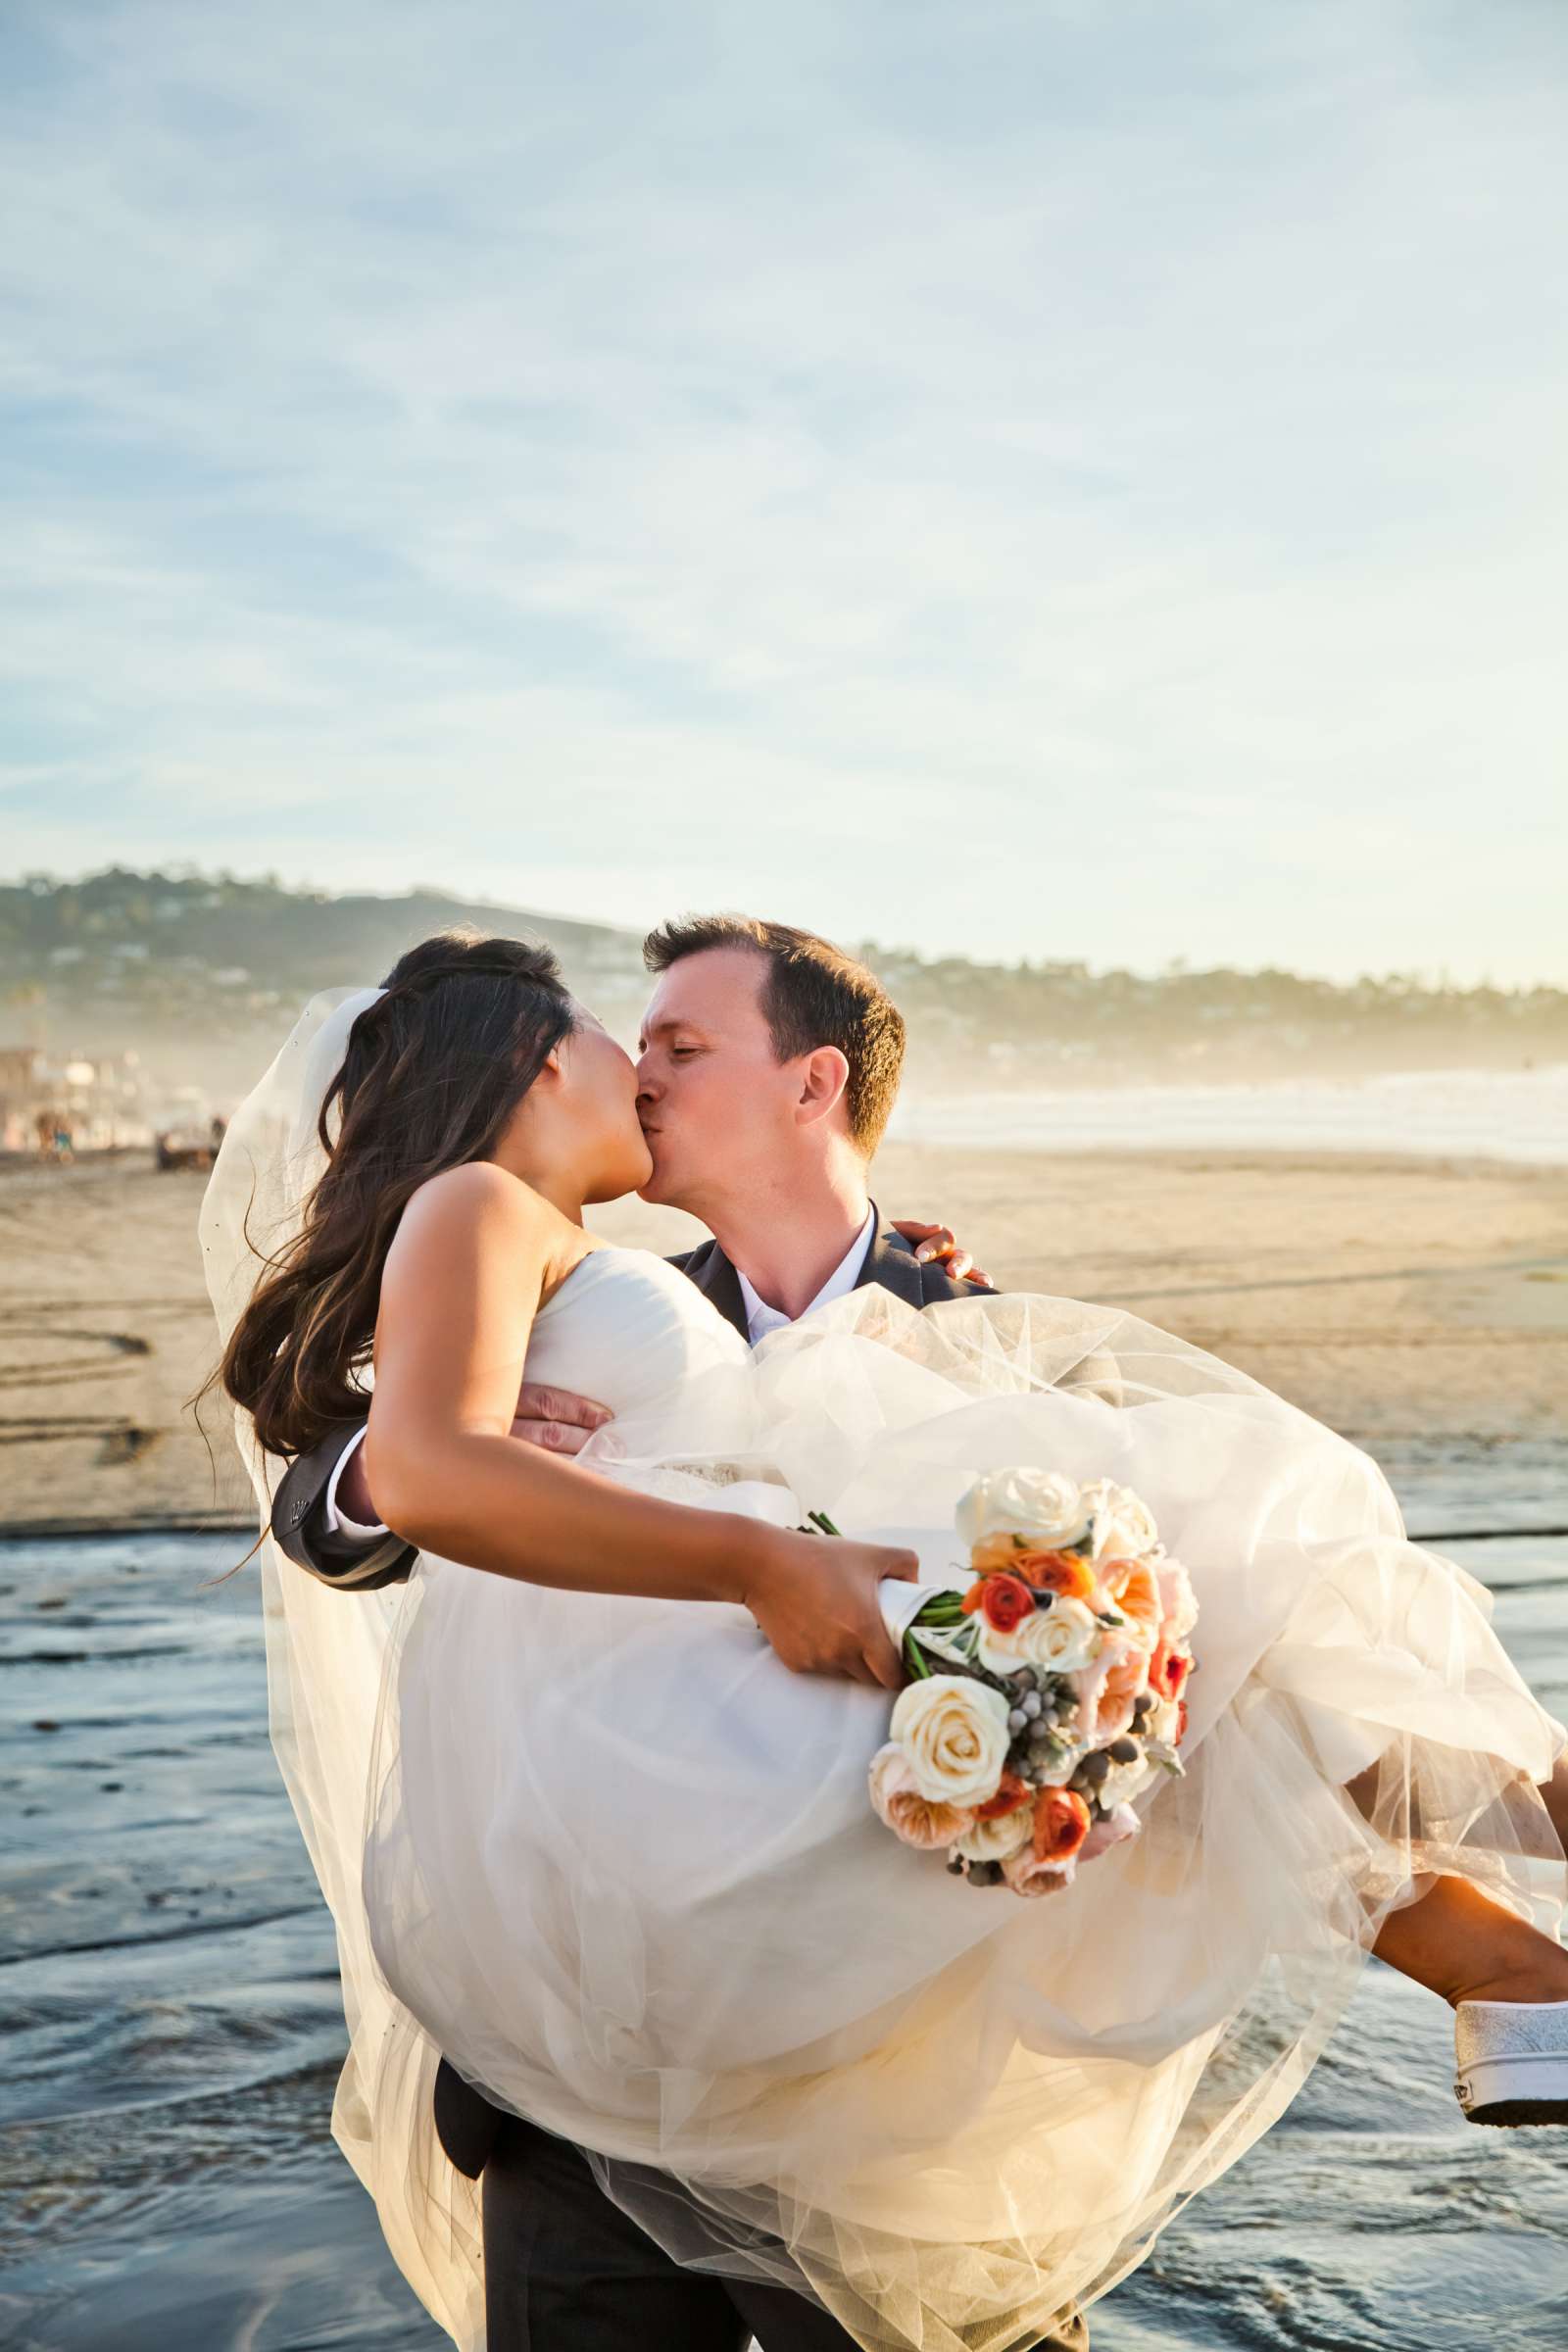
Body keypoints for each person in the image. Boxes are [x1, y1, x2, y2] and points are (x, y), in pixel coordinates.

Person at [204, 927, 1568, 2352]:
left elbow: (1165, 1691)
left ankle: (1511, 1923)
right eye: (634, 1042)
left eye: (682, 1045)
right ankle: (1513, 1956)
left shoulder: (987, 1338)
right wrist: (410, 1460)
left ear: (812, 1086)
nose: (645, 1070)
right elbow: (346, 1491)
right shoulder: (563, 1271)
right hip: (588, 2046)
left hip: (879, 2071)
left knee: (1223, 1602)